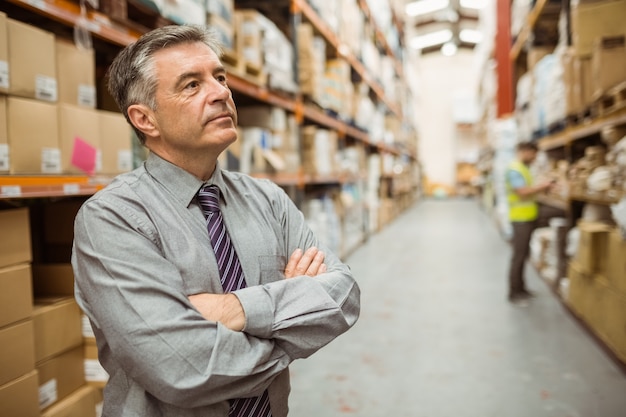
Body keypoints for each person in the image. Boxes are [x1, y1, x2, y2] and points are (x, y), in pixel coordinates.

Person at [71, 25, 360, 417]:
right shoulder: (113, 219)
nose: (222, 92)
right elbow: (183, 368)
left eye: (219, 78)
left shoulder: (268, 199)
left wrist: (235, 309)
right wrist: (291, 331)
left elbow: (342, 295)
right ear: (145, 119)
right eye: (191, 85)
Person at [505, 141, 553, 305]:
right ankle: (514, 293)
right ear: (525, 151)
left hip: (527, 217)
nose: (535, 158)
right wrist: (543, 186)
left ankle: (522, 288)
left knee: (524, 254)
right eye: (534, 154)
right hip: (520, 219)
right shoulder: (515, 169)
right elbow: (523, 192)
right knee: (518, 256)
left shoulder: (524, 168)